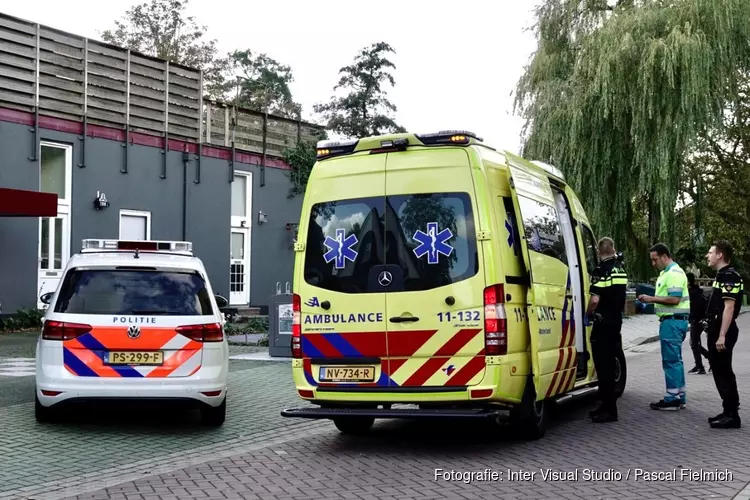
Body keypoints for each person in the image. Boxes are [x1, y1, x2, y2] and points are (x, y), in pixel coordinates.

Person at [637, 243, 691, 411]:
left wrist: (650, 299)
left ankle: (672, 398)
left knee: (670, 360)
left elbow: (674, 299)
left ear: (664, 256)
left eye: (655, 260)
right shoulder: (672, 272)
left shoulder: (673, 274)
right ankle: (680, 395)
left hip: (672, 321)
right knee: (676, 360)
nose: (653, 264)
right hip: (676, 321)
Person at [585, 237, 628, 423]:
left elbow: (595, 300)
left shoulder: (600, 270)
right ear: (613, 248)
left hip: (602, 323)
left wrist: (587, 314)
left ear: (598, 250)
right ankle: (606, 406)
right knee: (610, 363)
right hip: (615, 321)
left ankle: (609, 410)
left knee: (603, 367)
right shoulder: (620, 268)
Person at [704, 240, 743, 429]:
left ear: (720, 255)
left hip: (723, 331)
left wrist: (722, 336)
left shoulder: (729, 276)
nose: (707, 256)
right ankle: (727, 410)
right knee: (720, 371)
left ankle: (732, 414)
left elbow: (729, 307)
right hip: (717, 329)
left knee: (724, 372)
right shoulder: (722, 275)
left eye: (710, 252)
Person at [686, 272, 710, 374]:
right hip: (699, 319)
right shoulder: (695, 291)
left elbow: (696, 308)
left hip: (697, 320)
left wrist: (693, 318)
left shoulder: (693, 293)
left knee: (694, 343)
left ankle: (701, 365)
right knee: (695, 343)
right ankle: (700, 364)